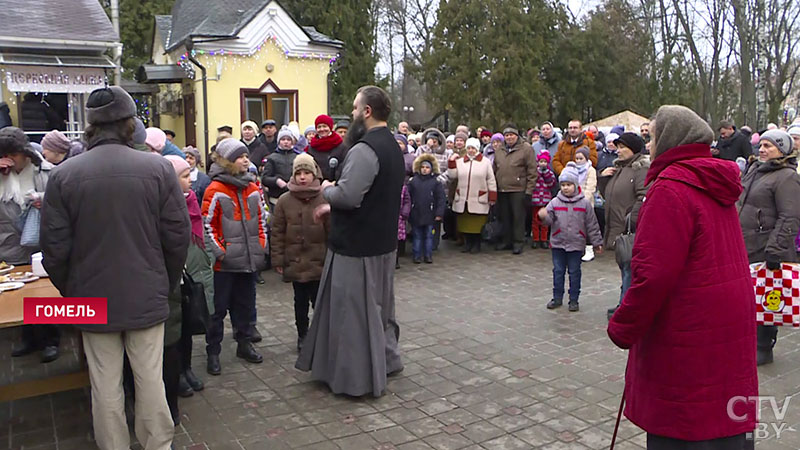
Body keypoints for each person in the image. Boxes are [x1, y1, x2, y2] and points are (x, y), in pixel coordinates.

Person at [40, 86, 189, 450]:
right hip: (146, 292)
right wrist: (164, 282)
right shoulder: (157, 169)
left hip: (90, 297)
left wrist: (72, 292)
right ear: (128, 125)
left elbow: (54, 249)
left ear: (91, 126)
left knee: (104, 384)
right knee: (150, 380)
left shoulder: (64, 175)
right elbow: (177, 237)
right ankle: (158, 445)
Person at [608, 105, 758, 449]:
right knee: (723, 420)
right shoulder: (713, 180)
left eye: (653, 137)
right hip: (723, 321)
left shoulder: (671, 188)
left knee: (684, 421)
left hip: (687, 324)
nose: (648, 146)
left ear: (672, 140)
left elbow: (652, 275)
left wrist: (623, 326)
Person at [296, 86, 405, 397]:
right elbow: (374, 193)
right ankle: (387, 361)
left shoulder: (364, 149)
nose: (353, 113)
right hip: (382, 243)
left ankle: (355, 379)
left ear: (367, 112)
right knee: (379, 309)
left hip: (357, 247)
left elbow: (349, 195)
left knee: (354, 314)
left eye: (356, 108)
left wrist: (328, 189)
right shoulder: (393, 145)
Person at [202, 138, 268, 375]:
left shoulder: (252, 188)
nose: (245, 160)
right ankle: (213, 351)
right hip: (224, 265)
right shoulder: (215, 190)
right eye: (240, 156)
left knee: (244, 305)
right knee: (218, 310)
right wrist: (222, 252)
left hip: (248, 261)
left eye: (246, 156)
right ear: (228, 161)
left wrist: (261, 246)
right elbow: (208, 226)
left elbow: (262, 220)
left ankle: (244, 343)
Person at [738, 129, 800, 366]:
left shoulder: (787, 177)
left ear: (782, 150)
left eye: (769, 146)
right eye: (761, 145)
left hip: (768, 247)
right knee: (748, 297)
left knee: (767, 298)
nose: (762, 149)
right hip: (746, 244)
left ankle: (764, 347)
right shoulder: (755, 170)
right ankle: (748, 342)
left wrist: (776, 249)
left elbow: (791, 216)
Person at [1, 127, 59, 363]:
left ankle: (51, 340)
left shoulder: (46, 172)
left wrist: (42, 199)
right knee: (20, 296)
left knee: (44, 296)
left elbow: (62, 198)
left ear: (25, 153)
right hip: (9, 245)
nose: (10, 159)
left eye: (13, 154)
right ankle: (29, 339)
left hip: (40, 244)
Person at [271, 153, 328, 352]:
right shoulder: (284, 200)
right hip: (295, 260)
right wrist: (277, 258)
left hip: (319, 259)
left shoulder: (324, 197)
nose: (303, 177)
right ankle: (302, 334)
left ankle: (320, 333)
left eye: (307, 173)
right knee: (300, 301)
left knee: (320, 301)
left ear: (314, 174)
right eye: (299, 173)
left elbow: (332, 231)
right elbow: (277, 231)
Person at [539, 164, 602, 312]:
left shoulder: (584, 203)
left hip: (576, 244)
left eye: (568, 185)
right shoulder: (554, 202)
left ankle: (574, 299)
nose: (565, 188)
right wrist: (543, 216)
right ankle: (557, 297)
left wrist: (596, 242)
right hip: (558, 244)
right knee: (558, 271)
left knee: (574, 272)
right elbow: (549, 221)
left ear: (575, 185)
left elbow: (592, 224)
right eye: (563, 185)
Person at [603, 133, 649, 320]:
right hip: (618, 227)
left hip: (630, 228)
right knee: (624, 266)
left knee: (630, 268)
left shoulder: (640, 170)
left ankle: (627, 308)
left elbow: (644, 196)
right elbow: (609, 195)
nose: (619, 151)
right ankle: (624, 302)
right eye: (618, 147)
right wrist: (604, 178)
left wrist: (631, 220)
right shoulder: (619, 169)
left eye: (623, 147)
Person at [447, 138, 497, 253]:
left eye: (473, 148)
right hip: (463, 198)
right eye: (469, 148)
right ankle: (468, 244)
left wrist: (492, 196)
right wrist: (451, 162)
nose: (471, 151)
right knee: (464, 224)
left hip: (479, 198)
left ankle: (476, 244)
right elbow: (452, 176)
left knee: (477, 224)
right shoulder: (460, 161)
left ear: (477, 149)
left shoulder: (485, 162)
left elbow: (491, 179)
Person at [493, 126, 537, 254]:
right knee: (505, 217)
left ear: (517, 136)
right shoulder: (499, 150)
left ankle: (518, 242)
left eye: (512, 135)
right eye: (507, 135)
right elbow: (495, 168)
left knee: (518, 217)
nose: (509, 137)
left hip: (518, 189)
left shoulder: (526, 149)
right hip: (502, 189)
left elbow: (532, 171)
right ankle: (507, 241)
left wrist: (529, 191)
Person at [409, 154, 446, 262]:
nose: (425, 170)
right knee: (417, 235)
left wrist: (439, 213)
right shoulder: (413, 181)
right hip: (416, 212)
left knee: (429, 236)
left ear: (431, 169)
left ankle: (428, 255)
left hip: (430, 213)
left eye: (427, 167)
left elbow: (441, 199)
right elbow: (408, 197)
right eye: (423, 167)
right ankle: (417, 255)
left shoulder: (436, 182)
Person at [572, 147, 598, 262]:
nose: (578, 161)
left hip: (586, 203)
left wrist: (583, 199)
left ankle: (589, 249)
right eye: (576, 158)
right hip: (573, 202)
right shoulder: (572, 169)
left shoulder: (590, 170)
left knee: (587, 227)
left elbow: (591, 186)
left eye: (581, 158)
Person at [262, 126, 298, 204]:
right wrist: (276, 181)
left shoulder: (297, 157)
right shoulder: (272, 158)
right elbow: (265, 178)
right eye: (283, 139)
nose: (286, 142)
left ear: (292, 142)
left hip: (294, 197)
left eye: (288, 139)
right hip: (276, 198)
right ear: (279, 142)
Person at [306, 114, 348, 181]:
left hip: (337, 184)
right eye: (319, 127)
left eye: (324, 126)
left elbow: (345, 166)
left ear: (330, 127)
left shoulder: (341, 146)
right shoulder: (311, 148)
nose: (322, 129)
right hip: (317, 186)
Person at [531, 151, 556, 249]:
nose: (543, 164)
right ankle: (536, 239)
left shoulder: (550, 173)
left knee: (545, 221)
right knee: (535, 220)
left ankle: (544, 239)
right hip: (536, 200)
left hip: (545, 200)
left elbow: (551, 183)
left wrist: (545, 173)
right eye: (541, 161)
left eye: (545, 162)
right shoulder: (534, 172)